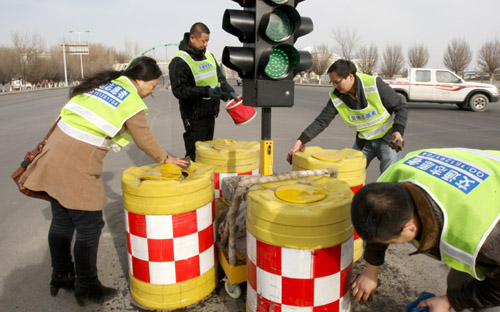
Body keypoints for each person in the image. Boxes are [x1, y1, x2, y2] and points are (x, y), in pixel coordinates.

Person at [19, 56, 188, 306]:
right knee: (89, 224)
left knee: (62, 221)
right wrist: (167, 159)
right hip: (77, 160)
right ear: (139, 80)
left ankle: (62, 275)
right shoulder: (130, 100)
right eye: (152, 86)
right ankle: (87, 285)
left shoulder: (104, 84)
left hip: (54, 152)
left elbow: (65, 111)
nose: (152, 91)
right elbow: (144, 137)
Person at [350, 148, 500, 311]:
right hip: (487, 175)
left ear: (410, 228)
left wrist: (449, 301)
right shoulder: (392, 178)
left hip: (491, 224)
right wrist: (370, 271)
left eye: (392, 241)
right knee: (460, 283)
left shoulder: (476, 236)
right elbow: (379, 220)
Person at [287, 59, 408, 174]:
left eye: (337, 82)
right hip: (364, 141)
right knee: (349, 174)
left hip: (387, 139)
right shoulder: (337, 96)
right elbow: (321, 121)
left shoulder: (373, 84)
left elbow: (400, 106)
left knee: (388, 178)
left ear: (350, 77)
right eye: (332, 82)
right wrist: (300, 141)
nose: (335, 86)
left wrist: (398, 131)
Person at [169, 22, 238, 161]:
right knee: (195, 155)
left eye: (207, 41)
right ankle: (191, 179)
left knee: (206, 153)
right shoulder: (179, 61)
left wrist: (229, 92)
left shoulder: (210, 57)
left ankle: (203, 180)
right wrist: (206, 91)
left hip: (210, 112)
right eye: (203, 41)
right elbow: (179, 90)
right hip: (194, 116)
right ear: (192, 38)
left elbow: (220, 79)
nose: (206, 44)